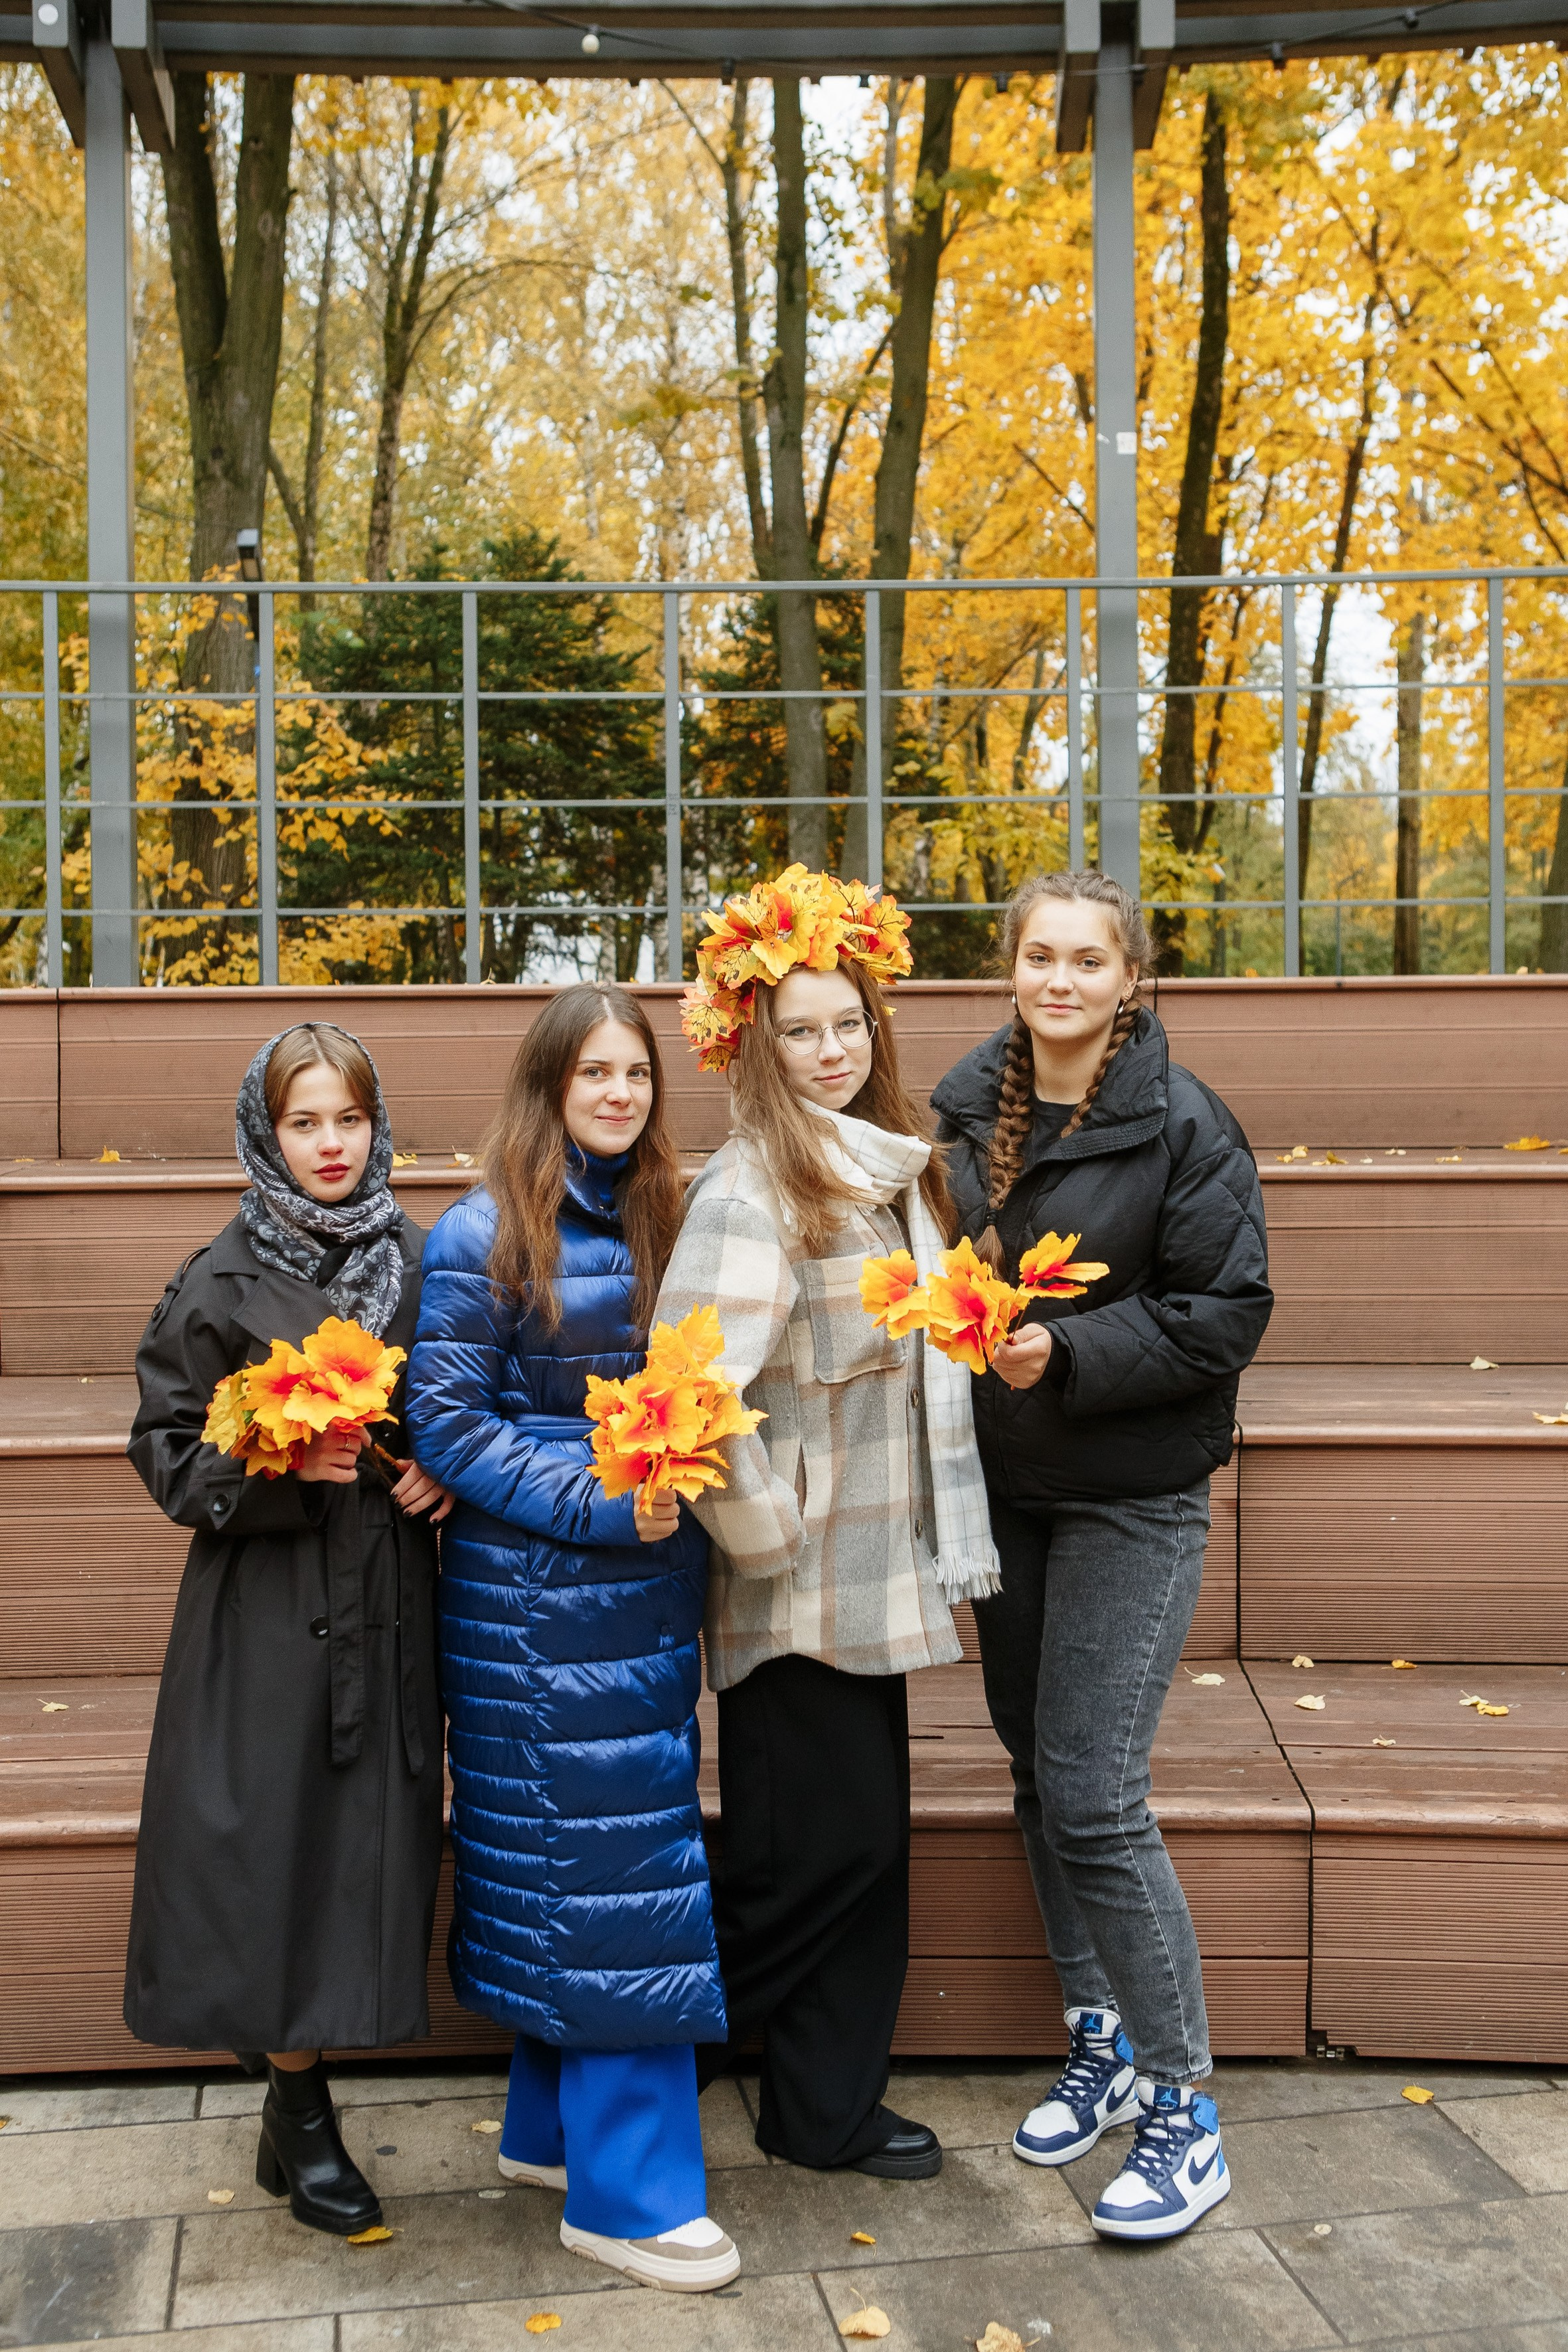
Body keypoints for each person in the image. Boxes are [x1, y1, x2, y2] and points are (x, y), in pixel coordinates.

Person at [930, 868, 1273, 2241]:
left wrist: (1059, 1347)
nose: (1058, 979)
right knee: (1036, 1769)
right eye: (1037, 956)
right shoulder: (960, 1112)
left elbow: (1222, 1311)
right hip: (1008, 1491)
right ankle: (1101, 2035)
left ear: (1129, 977)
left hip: (1131, 1497)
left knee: (1090, 1791)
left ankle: (1185, 2106)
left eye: (1086, 959)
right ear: (1009, 968)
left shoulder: (1184, 1123)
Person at [655, 866, 999, 2179]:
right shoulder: (758, 1186)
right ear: (751, 1043)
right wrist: (763, 1521)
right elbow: (688, 1385)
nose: (828, 1048)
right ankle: (643, 2046)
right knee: (815, 1858)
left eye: (845, 1021)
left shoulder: (890, 1175)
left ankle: (820, 2108)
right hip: (793, 1589)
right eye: (797, 1028)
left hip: (871, 1578)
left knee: (858, 1858)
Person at [404, 982, 738, 2296]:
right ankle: (631, 2197)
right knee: (622, 1891)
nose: (615, 1092)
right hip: (535, 1610)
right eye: (590, 1071)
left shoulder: (665, 1214)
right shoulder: (483, 1230)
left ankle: (547, 2136)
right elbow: (451, 1423)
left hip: (641, 1605)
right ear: (545, 1085)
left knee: (586, 1874)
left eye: (634, 1072)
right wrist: (605, 1498)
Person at [125, 1022, 451, 2238]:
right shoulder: (218, 1277)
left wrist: (436, 1476)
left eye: (350, 1120)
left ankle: (293, 2113)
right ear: (267, 1132)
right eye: (306, 1122)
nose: (330, 1144)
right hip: (262, 1619)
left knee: (365, 1846)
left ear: (378, 1126)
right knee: (276, 1858)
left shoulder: (423, 1262)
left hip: (388, 1607)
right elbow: (164, 1450)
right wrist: (271, 1470)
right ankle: (300, 2113)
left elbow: (455, 1410)